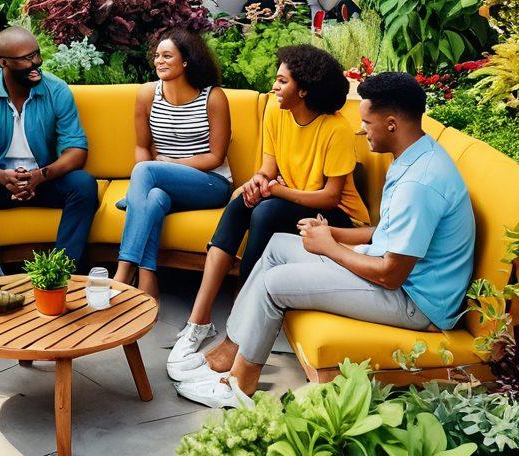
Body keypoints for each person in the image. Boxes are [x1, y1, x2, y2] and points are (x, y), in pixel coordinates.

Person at [173, 72, 476, 409]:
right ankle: (231, 350)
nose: (362, 130)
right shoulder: (415, 157)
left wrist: (329, 248)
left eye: (367, 122)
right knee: (277, 247)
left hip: (417, 302)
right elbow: (388, 233)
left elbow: (391, 274)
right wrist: (333, 233)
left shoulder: (418, 184)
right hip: (397, 278)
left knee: (275, 284)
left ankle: (239, 385)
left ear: (391, 123)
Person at [166, 44, 369, 379]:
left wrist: (275, 191)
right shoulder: (276, 112)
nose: (274, 86)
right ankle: (198, 321)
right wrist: (256, 184)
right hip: (291, 201)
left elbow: (331, 198)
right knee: (239, 206)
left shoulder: (336, 130)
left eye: (282, 80)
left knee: (268, 212)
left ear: (303, 89)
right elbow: (267, 169)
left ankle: (241, 326)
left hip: (339, 219)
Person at [0, 26, 99, 280]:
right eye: (26, 59)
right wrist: (1, 177)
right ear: (3, 62)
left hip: (43, 180)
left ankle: (61, 275)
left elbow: (77, 150)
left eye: (37, 55)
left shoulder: (56, 89)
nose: (36, 63)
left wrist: (41, 175)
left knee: (84, 185)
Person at [114, 30, 232, 299]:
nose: (159, 61)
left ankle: (122, 272)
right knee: (153, 197)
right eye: (157, 56)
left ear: (186, 61)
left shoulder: (212, 97)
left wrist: (172, 164)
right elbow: (142, 146)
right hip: (163, 182)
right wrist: (158, 174)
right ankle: (147, 276)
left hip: (211, 182)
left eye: (167, 56)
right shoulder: (147, 94)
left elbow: (216, 156)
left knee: (145, 171)